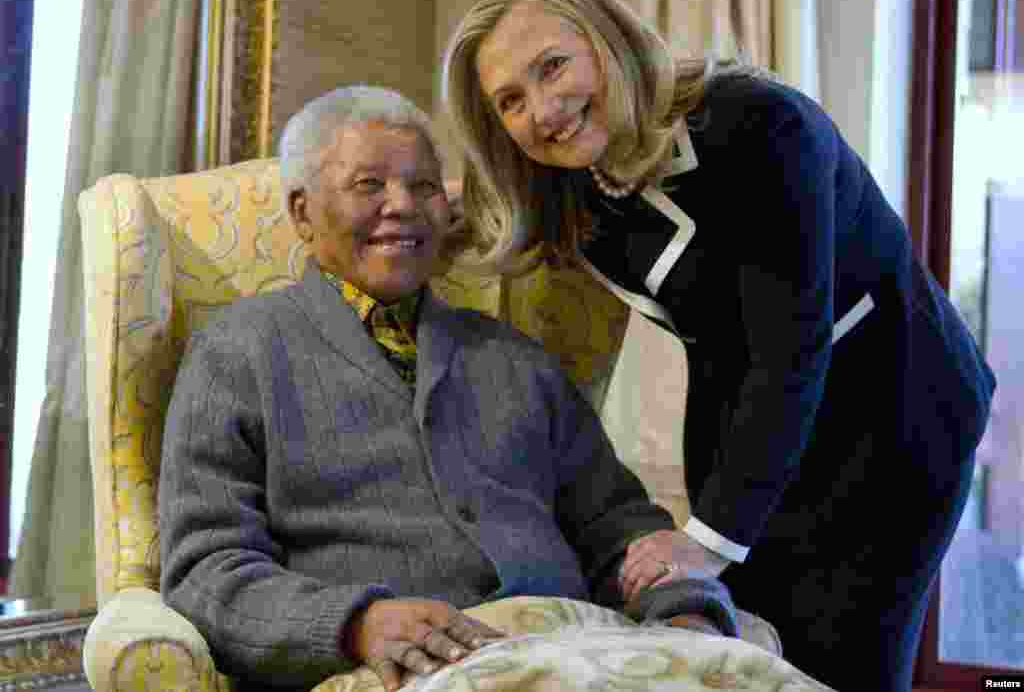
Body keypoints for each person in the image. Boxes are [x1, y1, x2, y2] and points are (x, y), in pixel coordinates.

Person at [439, 0, 997, 692]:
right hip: (768, 416)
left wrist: (707, 537)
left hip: (897, 411)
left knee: (844, 662)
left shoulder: (761, 126)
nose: (543, 110)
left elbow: (787, 346)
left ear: (607, 40)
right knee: (754, 653)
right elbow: (723, 350)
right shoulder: (573, 176)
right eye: (510, 100)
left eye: (553, 67)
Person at [158, 85, 743, 692]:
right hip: (400, 671)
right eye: (369, 185)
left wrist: (686, 606)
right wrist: (357, 623)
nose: (402, 206)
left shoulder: (514, 357)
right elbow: (206, 568)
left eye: (424, 186)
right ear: (303, 213)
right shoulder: (237, 351)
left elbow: (616, 524)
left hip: (577, 645)